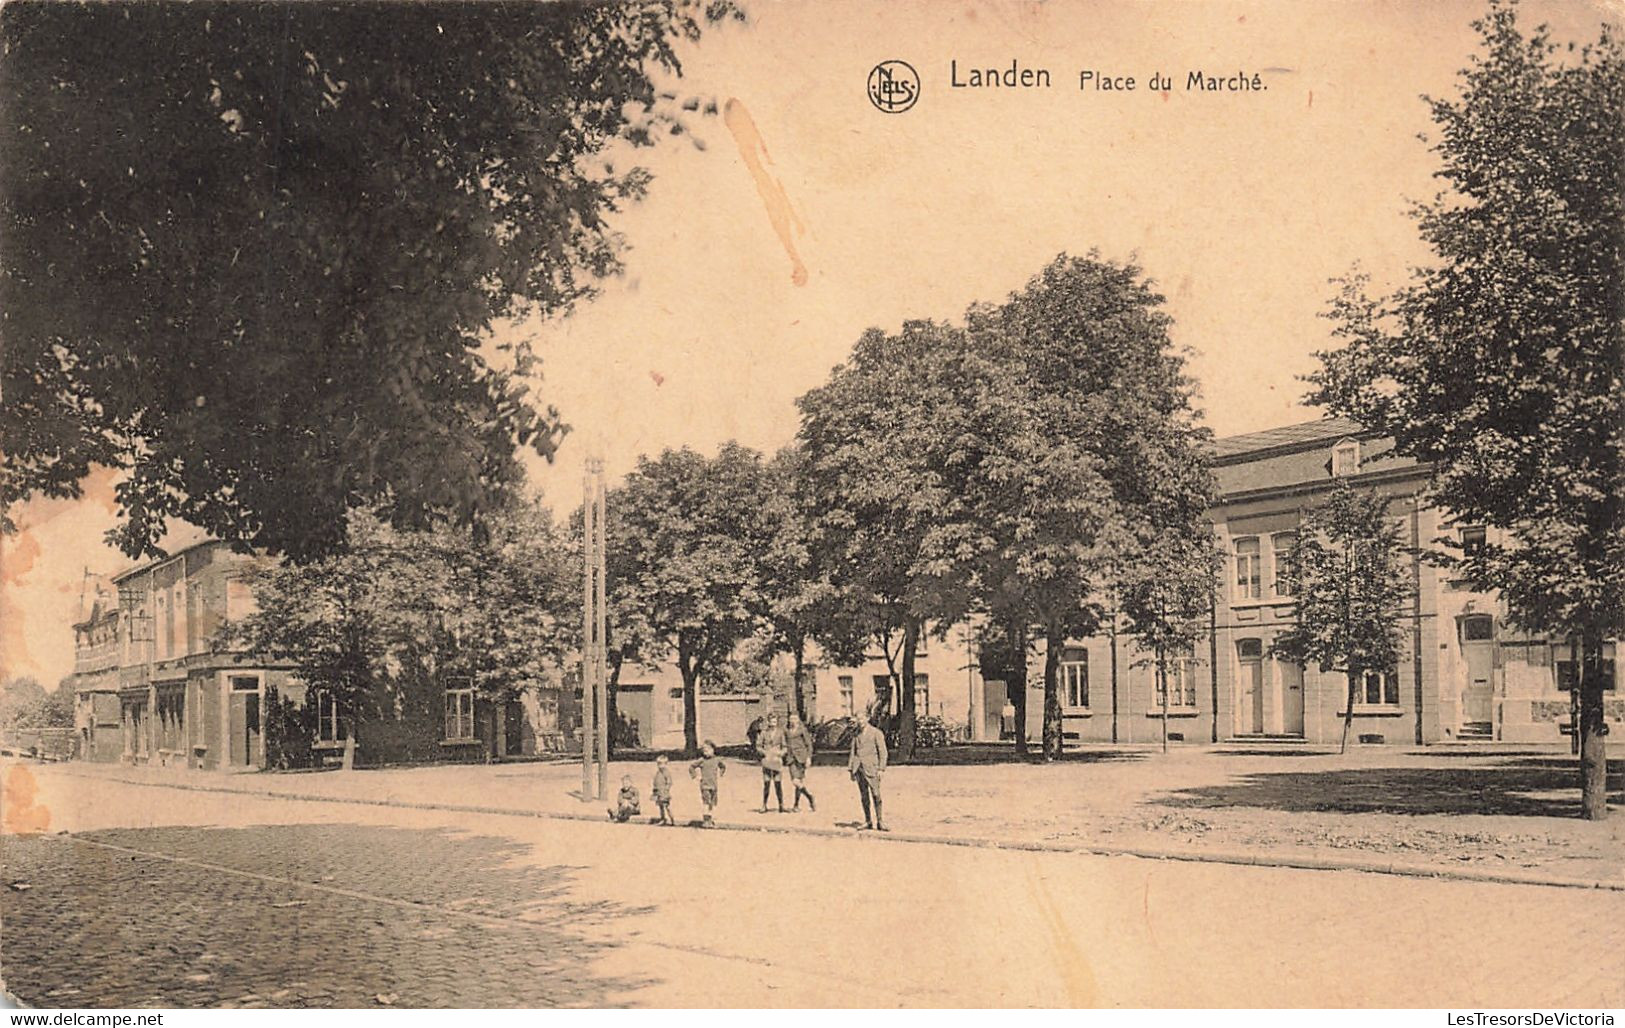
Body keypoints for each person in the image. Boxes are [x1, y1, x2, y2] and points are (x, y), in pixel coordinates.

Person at [848, 708, 888, 831]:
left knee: (876, 795)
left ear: (867, 718)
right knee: (864, 796)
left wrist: (881, 769)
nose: (859, 721)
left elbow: (883, 752)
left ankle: (880, 821)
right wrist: (851, 769)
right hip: (859, 768)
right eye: (858, 719)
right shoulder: (856, 734)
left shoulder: (876, 733)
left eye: (861, 718)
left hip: (872, 769)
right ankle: (868, 821)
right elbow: (853, 752)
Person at [755, 712, 788, 813]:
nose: (773, 723)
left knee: (778, 783)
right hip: (767, 759)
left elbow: (785, 747)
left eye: (775, 721)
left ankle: (781, 805)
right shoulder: (764, 733)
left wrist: (781, 753)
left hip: (776, 760)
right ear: (768, 722)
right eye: (771, 721)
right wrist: (764, 752)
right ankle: (764, 805)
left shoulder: (781, 733)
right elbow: (758, 746)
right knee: (767, 783)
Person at [689, 740, 726, 827]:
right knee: (706, 802)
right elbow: (691, 767)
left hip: (714, 785)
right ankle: (705, 820)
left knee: (713, 803)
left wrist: (721, 773)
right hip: (705, 785)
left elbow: (723, 766)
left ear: (713, 749)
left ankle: (711, 819)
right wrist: (695, 776)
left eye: (708, 750)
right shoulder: (702, 760)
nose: (706, 753)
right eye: (704, 751)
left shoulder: (716, 760)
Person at [784, 711, 815, 812]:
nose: (792, 721)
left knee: (799, 782)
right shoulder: (787, 730)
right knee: (795, 781)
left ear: (798, 720)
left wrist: (809, 758)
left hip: (801, 757)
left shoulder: (802, 730)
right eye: (791, 719)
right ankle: (810, 796)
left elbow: (809, 745)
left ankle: (796, 805)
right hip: (791, 758)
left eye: (795, 719)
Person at [650, 754, 675, 826]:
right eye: (658, 764)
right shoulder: (658, 773)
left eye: (661, 764)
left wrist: (666, 789)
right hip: (658, 792)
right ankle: (663, 818)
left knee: (667, 806)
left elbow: (669, 782)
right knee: (661, 807)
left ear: (665, 764)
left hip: (664, 793)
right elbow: (656, 781)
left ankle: (672, 818)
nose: (660, 766)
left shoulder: (666, 772)